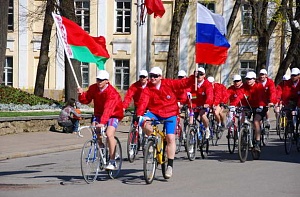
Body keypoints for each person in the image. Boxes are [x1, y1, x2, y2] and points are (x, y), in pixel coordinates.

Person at [135, 66, 195, 179]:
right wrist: (139, 115)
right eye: (151, 76)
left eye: (155, 76)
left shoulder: (168, 83)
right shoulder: (147, 88)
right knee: (143, 122)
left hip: (170, 112)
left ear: (160, 77)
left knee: (170, 138)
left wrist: (193, 77)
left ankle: (170, 166)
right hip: (155, 112)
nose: (152, 78)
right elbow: (143, 101)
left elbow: (183, 84)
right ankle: (151, 140)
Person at [77, 70, 124, 170]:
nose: (99, 82)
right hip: (99, 113)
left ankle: (112, 161)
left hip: (113, 114)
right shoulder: (94, 88)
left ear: (107, 81)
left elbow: (108, 109)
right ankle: (101, 146)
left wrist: (103, 123)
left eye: (101, 80)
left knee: (109, 133)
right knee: (95, 130)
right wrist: (81, 94)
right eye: (98, 79)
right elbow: (86, 99)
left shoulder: (112, 93)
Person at [242, 71, 268, 151]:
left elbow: (261, 97)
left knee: (256, 121)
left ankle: (257, 142)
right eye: (247, 79)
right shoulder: (244, 86)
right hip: (249, 106)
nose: (248, 80)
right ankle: (242, 136)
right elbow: (240, 95)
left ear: (254, 79)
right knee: (243, 117)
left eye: (250, 79)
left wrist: (260, 106)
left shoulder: (259, 86)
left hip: (260, 106)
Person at [189, 67, 214, 140]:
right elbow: (186, 93)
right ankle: (191, 137)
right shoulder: (192, 83)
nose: (199, 76)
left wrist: (207, 103)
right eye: (197, 74)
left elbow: (210, 95)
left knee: (202, 115)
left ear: (204, 75)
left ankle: (207, 129)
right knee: (191, 120)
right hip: (194, 105)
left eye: (201, 74)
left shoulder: (207, 84)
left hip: (204, 105)